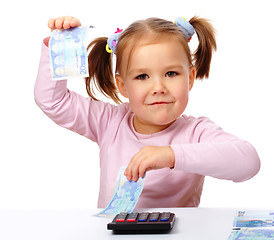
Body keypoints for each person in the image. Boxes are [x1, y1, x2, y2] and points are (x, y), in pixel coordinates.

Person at [34, 16, 260, 208]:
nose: (158, 88)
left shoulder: (196, 132)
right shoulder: (110, 122)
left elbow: (248, 162)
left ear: (190, 78)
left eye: (171, 74)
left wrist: (171, 155)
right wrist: (59, 48)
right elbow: (53, 102)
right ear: (123, 86)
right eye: (142, 76)